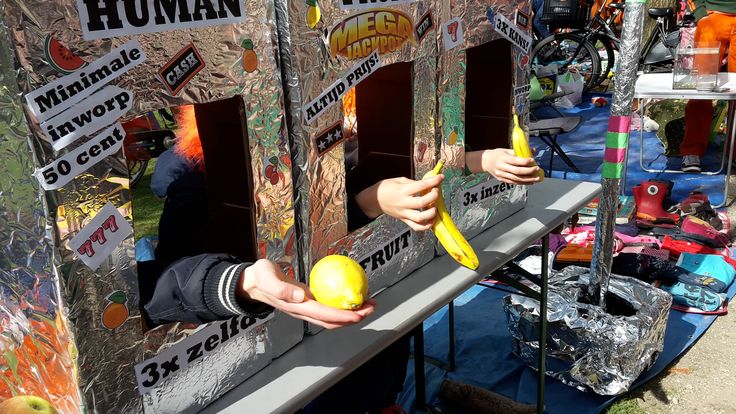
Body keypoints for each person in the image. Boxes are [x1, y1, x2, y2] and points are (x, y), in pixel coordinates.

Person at [137, 104, 542, 413]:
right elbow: (169, 288)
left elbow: (336, 200)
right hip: (266, 361)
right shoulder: (192, 193)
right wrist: (242, 281)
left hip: (358, 330)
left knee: (380, 353)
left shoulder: (322, 159)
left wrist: (373, 200)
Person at [680, 0, 736, 173]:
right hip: (712, 17)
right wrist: (701, 14)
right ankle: (692, 150)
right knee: (703, 89)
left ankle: (734, 153)